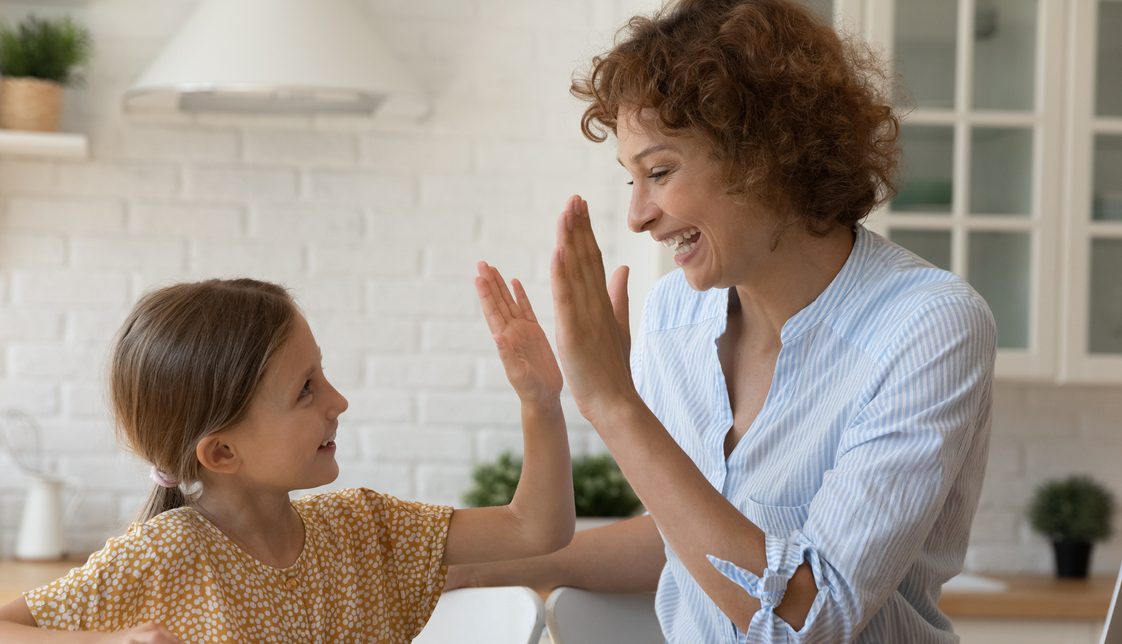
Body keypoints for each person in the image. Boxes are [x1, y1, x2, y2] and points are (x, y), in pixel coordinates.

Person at [450, 0, 997, 641]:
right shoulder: (674, 314)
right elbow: (689, 539)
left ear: (765, 154)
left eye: (659, 172)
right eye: (631, 180)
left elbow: (808, 619)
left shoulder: (928, 326)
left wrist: (613, 404)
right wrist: (476, 569)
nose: (637, 215)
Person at [0, 269, 574, 643]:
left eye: (322, 373)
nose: (338, 401)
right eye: (306, 389)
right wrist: (110, 640)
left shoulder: (364, 528)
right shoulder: (164, 554)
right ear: (222, 451)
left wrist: (541, 402)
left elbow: (535, 529)